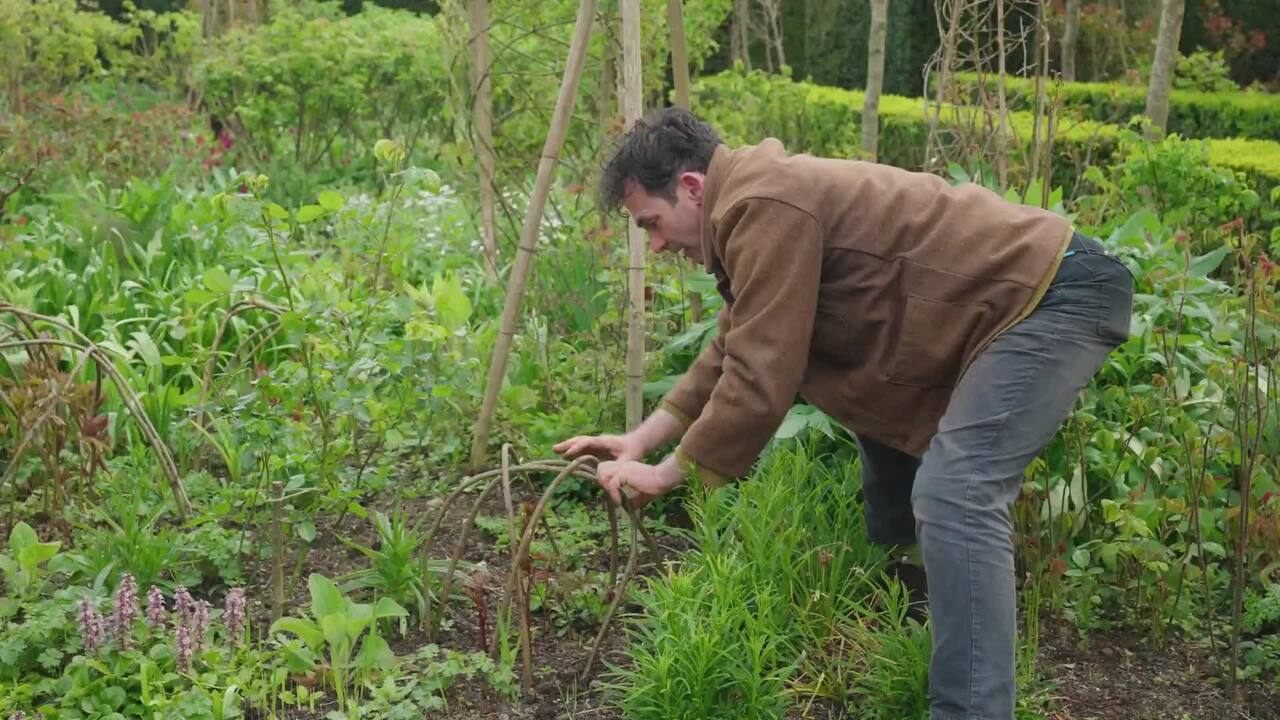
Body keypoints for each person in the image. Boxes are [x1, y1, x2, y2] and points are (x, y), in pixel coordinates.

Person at [554, 107, 1133, 720]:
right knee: (891, 454)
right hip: (1015, 300)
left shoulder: (765, 201)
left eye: (653, 223)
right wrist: (642, 439)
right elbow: (735, 342)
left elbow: (761, 374)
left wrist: (672, 474)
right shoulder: (751, 198)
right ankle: (918, 637)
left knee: (958, 492)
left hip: (1053, 295)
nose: (659, 243)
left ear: (692, 189)